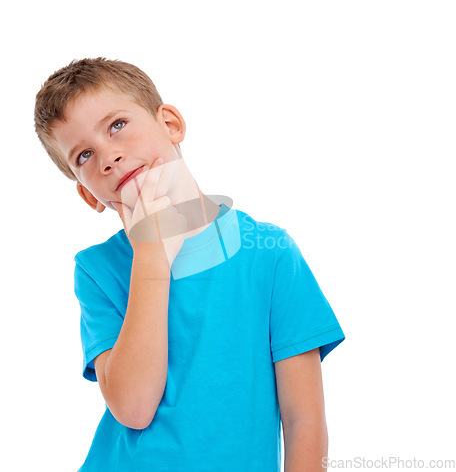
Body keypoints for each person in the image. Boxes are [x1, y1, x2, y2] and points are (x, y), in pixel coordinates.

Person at [34, 57, 346, 472]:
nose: (108, 156)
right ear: (90, 196)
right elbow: (134, 407)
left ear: (171, 124)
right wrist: (150, 252)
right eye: (85, 155)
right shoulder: (97, 269)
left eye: (117, 125)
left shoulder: (268, 253)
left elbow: (303, 420)